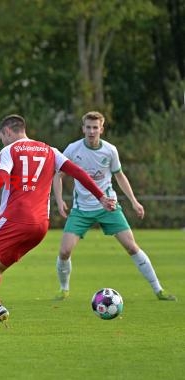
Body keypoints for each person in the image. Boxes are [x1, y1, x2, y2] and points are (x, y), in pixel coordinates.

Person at [0, 114, 116, 333]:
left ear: (7, 132)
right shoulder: (50, 150)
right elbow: (78, 172)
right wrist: (100, 196)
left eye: (1, 136)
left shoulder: (9, 150)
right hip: (40, 226)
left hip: (15, 218)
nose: (2, 141)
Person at [53, 111, 176, 301]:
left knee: (132, 247)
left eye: (95, 127)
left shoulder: (110, 150)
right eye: (88, 127)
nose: (91, 131)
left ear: (101, 129)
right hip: (81, 209)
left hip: (108, 206)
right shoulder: (72, 149)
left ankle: (158, 289)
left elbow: (119, 176)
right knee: (64, 251)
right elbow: (58, 175)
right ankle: (64, 289)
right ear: (83, 128)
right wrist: (59, 200)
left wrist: (134, 202)